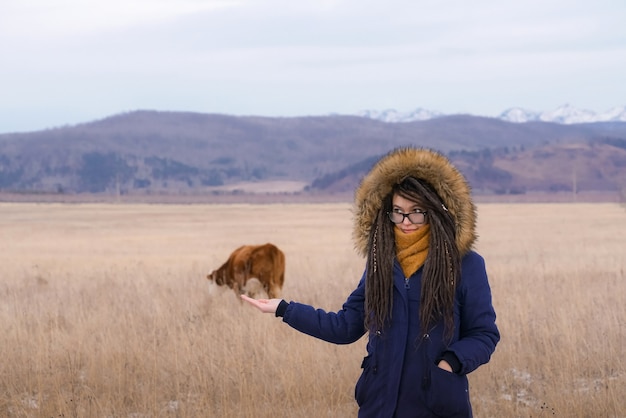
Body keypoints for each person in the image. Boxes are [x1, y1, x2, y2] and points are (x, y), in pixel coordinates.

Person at [241, 146, 500, 418]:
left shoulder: (465, 264)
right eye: (397, 211)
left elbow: (484, 334)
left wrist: (451, 361)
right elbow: (345, 327)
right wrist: (284, 308)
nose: (405, 221)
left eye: (416, 211)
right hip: (379, 406)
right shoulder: (381, 263)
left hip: (436, 405)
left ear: (436, 210)